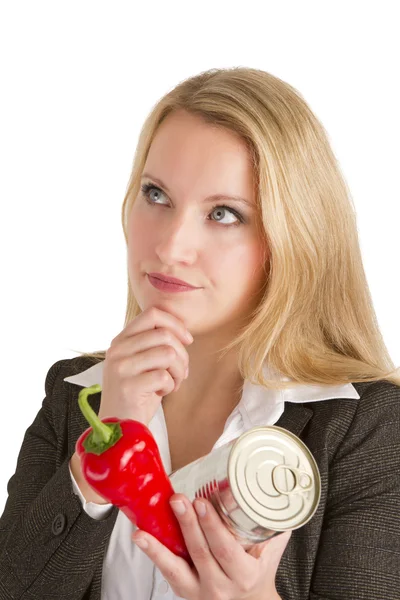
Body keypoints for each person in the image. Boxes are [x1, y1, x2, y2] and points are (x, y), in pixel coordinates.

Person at [0, 66, 399, 600]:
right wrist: (105, 445)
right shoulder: (73, 395)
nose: (170, 246)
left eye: (223, 213)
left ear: (292, 238)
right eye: (156, 195)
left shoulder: (366, 428)